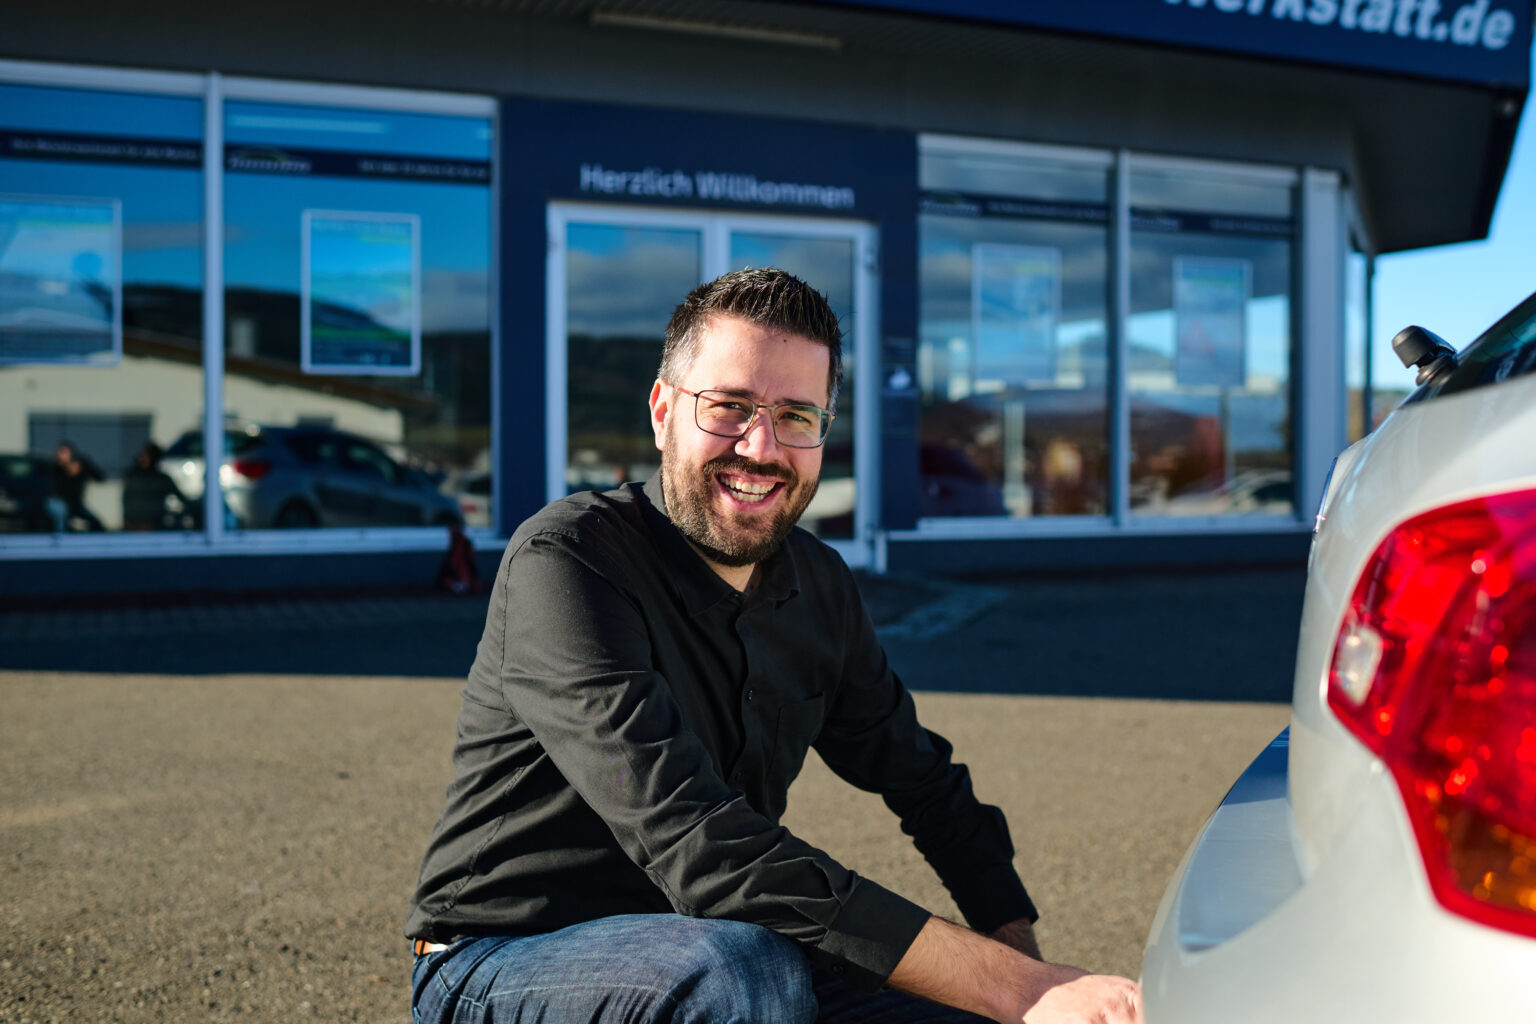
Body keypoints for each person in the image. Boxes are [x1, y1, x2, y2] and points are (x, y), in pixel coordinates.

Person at [404, 268, 1142, 1024]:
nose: (760, 447)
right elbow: (702, 844)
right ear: (663, 412)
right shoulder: (569, 561)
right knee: (740, 974)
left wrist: (1026, 968)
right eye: (728, 407)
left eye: (796, 415)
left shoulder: (818, 584)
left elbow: (924, 783)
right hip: (505, 960)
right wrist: (1017, 989)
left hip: (730, 948)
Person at [121, 441, 186, 531]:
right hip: (134, 528)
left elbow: (182, 500)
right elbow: (127, 503)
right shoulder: (132, 477)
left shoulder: (162, 480)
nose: (141, 459)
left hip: (154, 528)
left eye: (146, 456)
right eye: (141, 456)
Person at [50, 440, 105, 532]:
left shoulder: (81, 466)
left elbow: (100, 478)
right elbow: (54, 489)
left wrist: (84, 466)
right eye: (60, 453)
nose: (62, 456)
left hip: (76, 505)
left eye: (64, 453)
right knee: (61, 512)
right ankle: (61, 539)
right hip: (61, 504)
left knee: (96, 523)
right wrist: (66, 472)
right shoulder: (55, 469)